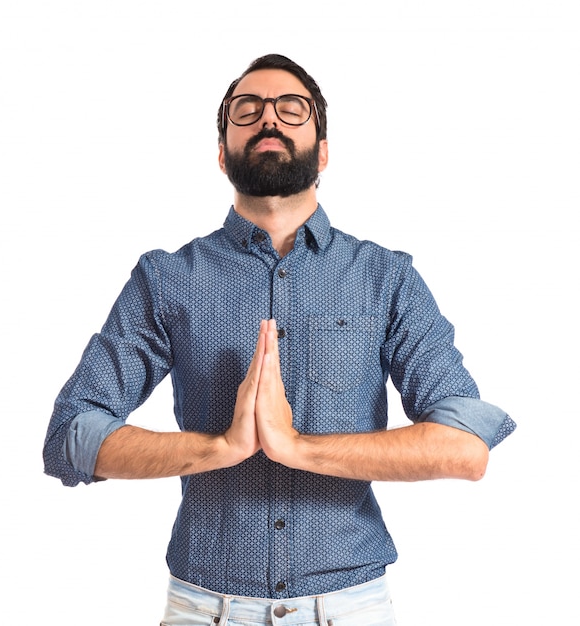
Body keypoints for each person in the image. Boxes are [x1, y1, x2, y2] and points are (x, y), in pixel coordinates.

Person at [43, 53, 516, 626]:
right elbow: (71, 435)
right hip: (205, 607)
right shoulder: (167, 277)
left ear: (322, 152)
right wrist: (219, 448)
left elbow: (465, 448)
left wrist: (300, 448)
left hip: (351, 607)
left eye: (291, 109)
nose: (268, 119)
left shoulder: (386, 278)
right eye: (247, 110)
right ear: (222, 153)